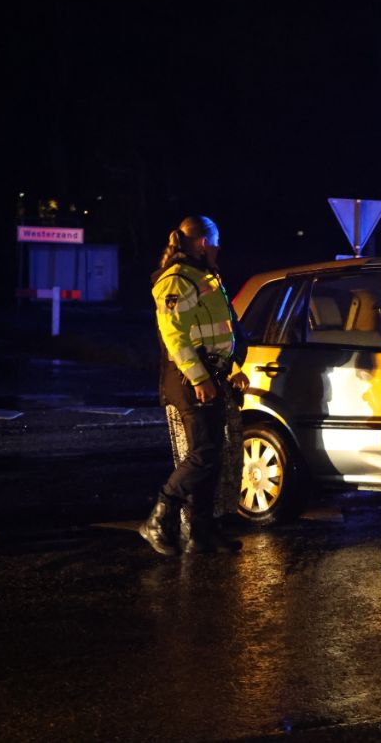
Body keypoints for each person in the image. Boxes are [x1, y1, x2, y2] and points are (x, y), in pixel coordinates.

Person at [139, 216, 248, 556]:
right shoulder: (176, 280)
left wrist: (232, 369)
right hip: (188, 378)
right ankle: (158, 517)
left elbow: (218, 331)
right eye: (216, 241)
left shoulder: (203, 276)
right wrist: (199, 377)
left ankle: (200, 533)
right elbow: (176, 335)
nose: (219, 248)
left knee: (213, 454)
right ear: (203, 243)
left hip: (208, 373)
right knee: (203, 453)